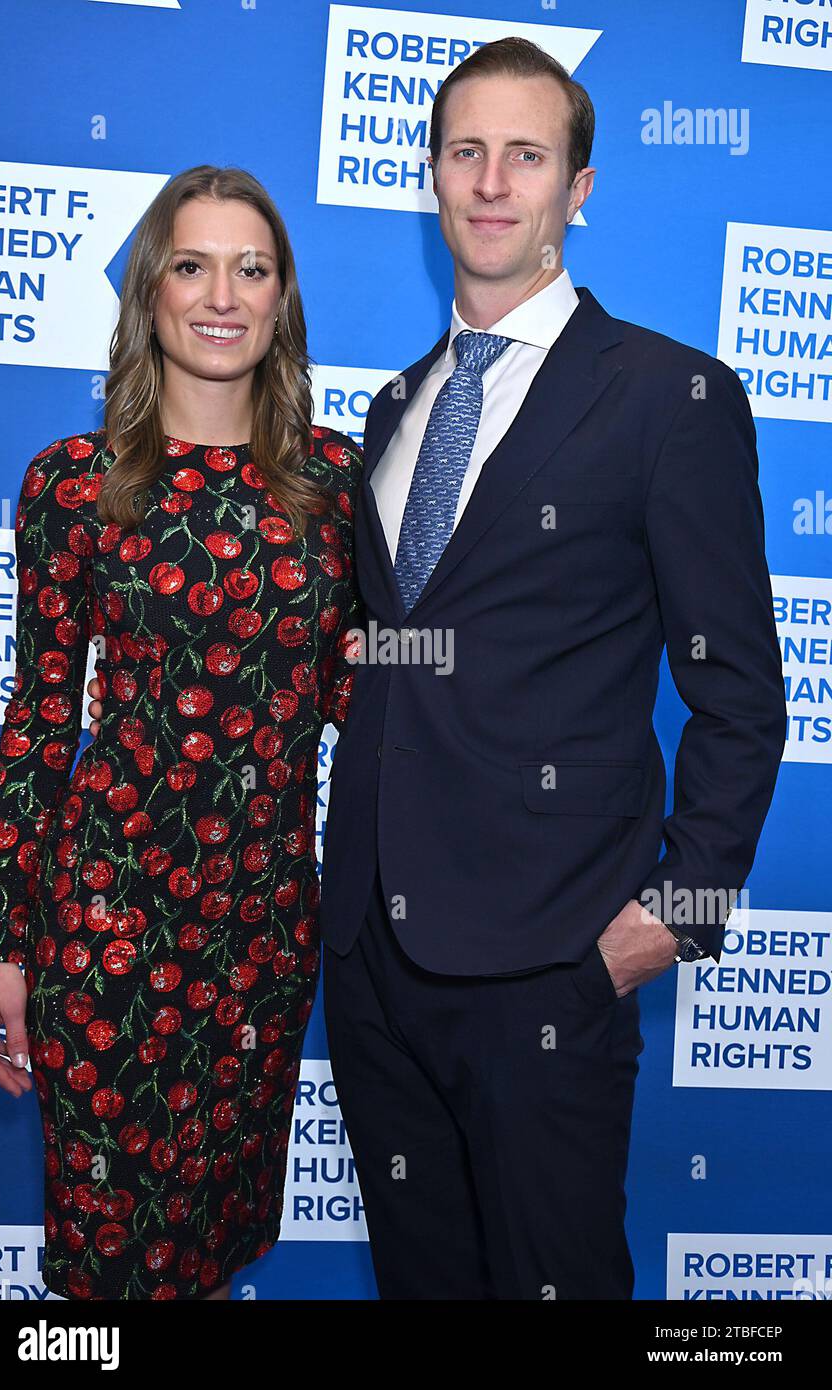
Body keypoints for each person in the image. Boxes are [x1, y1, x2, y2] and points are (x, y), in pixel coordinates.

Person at [317, 39, 787, 1299]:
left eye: (526, 155)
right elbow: (420, 646)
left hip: (549, 962)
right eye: (465, 152)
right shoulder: (398, 406)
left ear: (577, 187)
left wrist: (671, 922)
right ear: (430, 176)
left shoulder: (669, 395)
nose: (490, 182)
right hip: (371, 954)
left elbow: (738, 692)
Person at [0, 165, 362, 1301]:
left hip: (262, 935)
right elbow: (43, 716)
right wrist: (3, 942)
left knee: (214, 1251)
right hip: (106, 926)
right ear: (150, 291)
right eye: (192, 264)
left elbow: (367, 700)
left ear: (282, 299)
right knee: (107, 1272)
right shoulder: (75, 484)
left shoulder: (333, 487)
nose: (221, 294)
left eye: (253, 268)